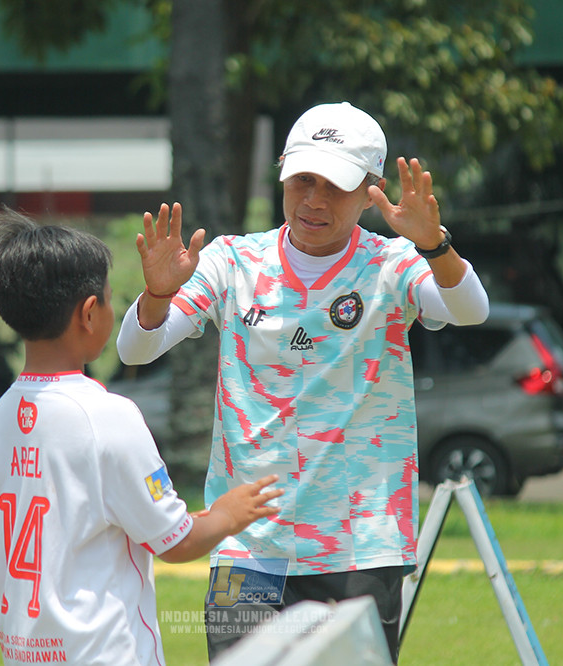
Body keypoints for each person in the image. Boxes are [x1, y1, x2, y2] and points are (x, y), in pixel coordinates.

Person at [115, 101, 489, 662]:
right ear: (283, 174)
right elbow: (137, 347)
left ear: (371, 191)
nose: (313, 200)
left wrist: (435, 246)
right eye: (302, 180)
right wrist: (157, 295)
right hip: (245, 546)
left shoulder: (393, 263)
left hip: (362, 546)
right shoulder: (232, 260)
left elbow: (470, 309)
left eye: (334, 186)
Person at [0, 208, 283, 666]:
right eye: (108, 297)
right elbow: (176, 541)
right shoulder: (106, 415)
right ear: (88, 313)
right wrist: (226, 515)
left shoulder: (2, 416)